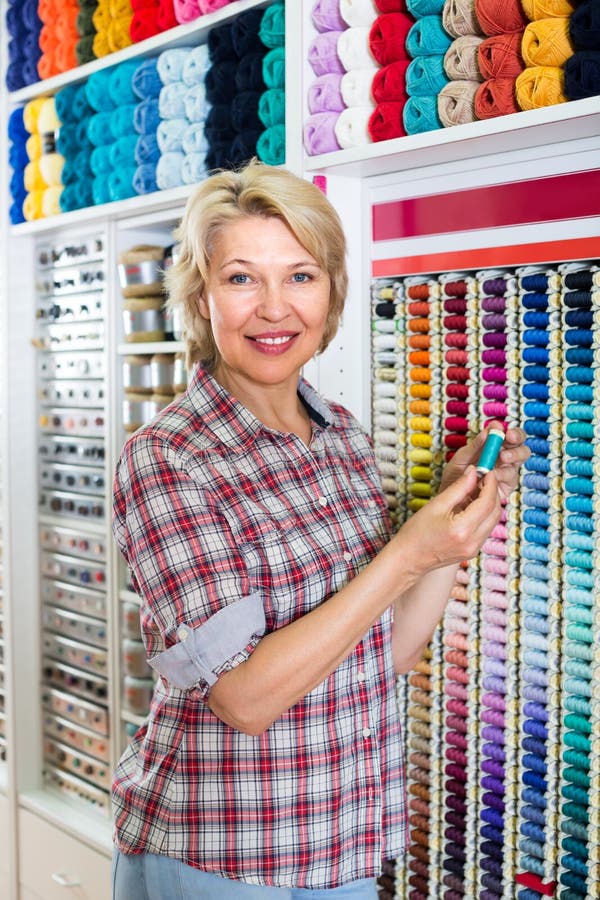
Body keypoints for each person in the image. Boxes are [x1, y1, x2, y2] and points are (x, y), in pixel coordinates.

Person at [111, 160, 529, 900]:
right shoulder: (169, 459)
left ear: (332, 292)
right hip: (221, 861)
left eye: (300, 276)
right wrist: (407, 550)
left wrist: (452, 525)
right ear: (203, 299)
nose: (274, 308)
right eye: (241, 279)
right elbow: (242, 698)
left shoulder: (341, 436)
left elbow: (385, 652)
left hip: (341, 852)